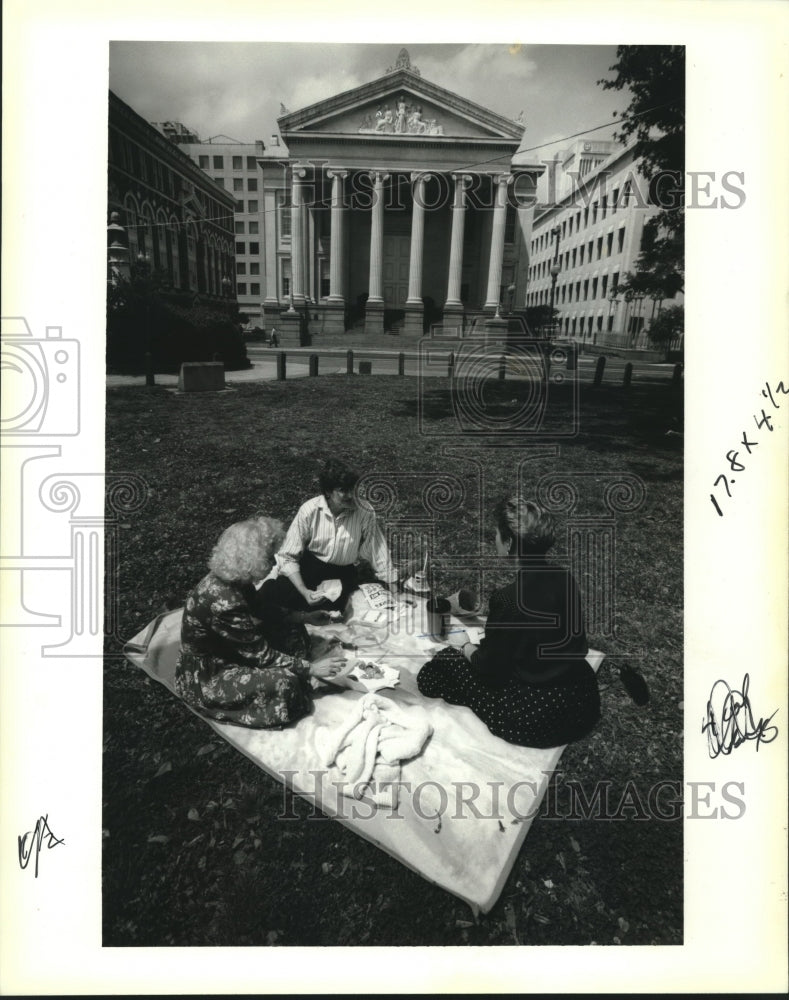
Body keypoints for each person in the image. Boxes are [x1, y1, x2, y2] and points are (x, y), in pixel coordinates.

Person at [417, 496, 600, 748]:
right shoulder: (564, 577)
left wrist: (463, 646)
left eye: (496, 534)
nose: (494, 539)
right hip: (580, 699)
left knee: (435, 671)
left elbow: (490, 669)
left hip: (536, 713)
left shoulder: (508, 599)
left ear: (510, 542)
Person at [175, 516, 346, 729]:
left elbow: (262, 609)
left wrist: (304, 617)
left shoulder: (236, 579)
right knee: (284, 684)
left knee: (294, 630)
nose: (274, 563)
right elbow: (262, 655)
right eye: (269, 558)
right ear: (250, 560)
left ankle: (289, 671)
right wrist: (310, 668)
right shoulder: (224, 602)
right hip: (211, 671)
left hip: (235, 646)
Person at [259, 458, 399, 613]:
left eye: (353, 488)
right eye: (343, 490)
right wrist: (304, 591)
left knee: (334, 613)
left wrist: (395, 590)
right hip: (309, 568)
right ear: (328, 492)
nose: (351, 495)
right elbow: (287, 556)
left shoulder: (365, 511)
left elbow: (378, 549)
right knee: (275, 600)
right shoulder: (309, 510)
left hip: (341, 574)